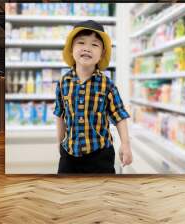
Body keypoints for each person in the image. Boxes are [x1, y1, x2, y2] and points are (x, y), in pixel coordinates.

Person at [54, 20, 132, 174]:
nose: (87, 48)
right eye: (81, 43)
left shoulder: (107, 84)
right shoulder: (63, 82)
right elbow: (60, 115)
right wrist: (59, 142)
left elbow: (119, 115)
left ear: (102, 53)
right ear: (71, 49)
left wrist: (126, 144)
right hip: (69, 154)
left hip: (100, 155)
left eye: (94, 45)